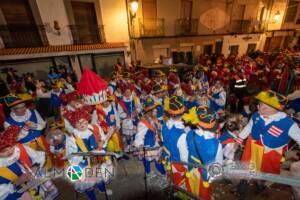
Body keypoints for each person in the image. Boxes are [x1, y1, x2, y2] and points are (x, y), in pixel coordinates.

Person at [235, 90, 300, 195]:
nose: (259, 107)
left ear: (276, 109)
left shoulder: (288, 123)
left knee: (265, 169)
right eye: (260, 104)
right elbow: (248, 127)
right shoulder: (256, 115)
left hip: (270, 152)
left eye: (265, 106)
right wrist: (239, 139)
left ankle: (261, 183)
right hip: (253, 146)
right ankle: (244, 181)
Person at [64, 106, 113, 199]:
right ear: (74, 124)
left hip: (97, 160)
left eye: (83, 121)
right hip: (83, 164)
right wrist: (83, 157)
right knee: (87, 183)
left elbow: (102, 139)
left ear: (87, 120)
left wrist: (102, 143)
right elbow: (71, 155)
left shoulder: (93, 129)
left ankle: (102, 190)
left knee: (99, 177)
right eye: (78, 122)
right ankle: (92, 198)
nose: (81, 124)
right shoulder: (72, 138)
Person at [0, 125, 58, 200]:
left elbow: (39, 156)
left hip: (35, 183)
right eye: (4, 151)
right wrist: (16, 183)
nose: (9, 152)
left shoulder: (20, 148)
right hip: (17, 195)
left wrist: (35, 167)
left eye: (11, 147)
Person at [183, 106, 223, 200]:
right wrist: (211, 178)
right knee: (203, 194)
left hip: (191, 169)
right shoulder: (217, 145)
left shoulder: (189, 134)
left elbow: (186, 150)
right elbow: (218, 166)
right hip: (205, 175)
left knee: (192, 189)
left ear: (197, 124)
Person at [161, 95, 189, 191]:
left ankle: (170, 188)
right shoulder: (182, 135)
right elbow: (184, 157)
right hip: (177, 164)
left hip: (167, 158)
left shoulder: (164, 125)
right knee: (179, 184)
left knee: (170, 177)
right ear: (182, 114)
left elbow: (163, 140)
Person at [133, 97, 166, 177]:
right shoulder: (143, 123)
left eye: (155, 109)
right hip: (148, 146)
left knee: (158, 161)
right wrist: (140, 148)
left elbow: (158, 130)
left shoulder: (154, 119)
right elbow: (138, 138)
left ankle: (163, 174)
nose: (156, 111)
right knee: (147, 160)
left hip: (156, 144)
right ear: (149, 112)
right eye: (154, 110)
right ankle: (148, 173)